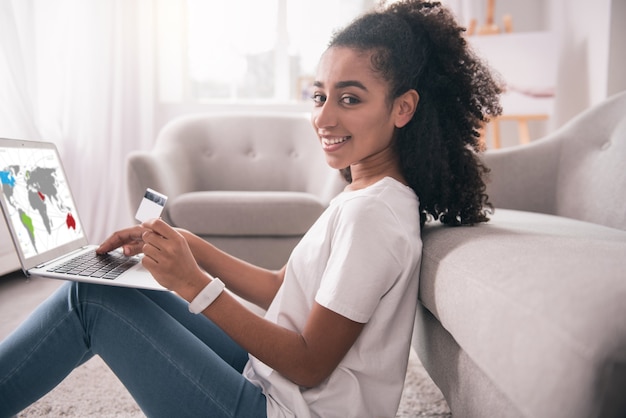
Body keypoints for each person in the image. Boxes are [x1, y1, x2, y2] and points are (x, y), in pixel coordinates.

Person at [0, 1, 501, 416]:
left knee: (90, 303)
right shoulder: (369, 197)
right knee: (119, 292)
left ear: (403, 108)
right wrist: (190, 248)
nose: (324, 116)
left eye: (350, 99)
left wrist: (192, 283)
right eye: (319, 95)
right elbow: (285, 286)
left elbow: (308, 365)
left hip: (281, 406)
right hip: (273, 382)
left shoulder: (374, 216)